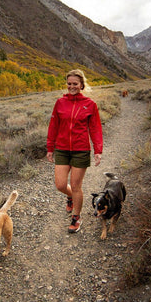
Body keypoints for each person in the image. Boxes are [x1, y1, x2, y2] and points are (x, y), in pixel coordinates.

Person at [46, 69, 103, 233]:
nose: (71, 86)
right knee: (60, 184)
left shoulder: (90, 104)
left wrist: (98, 150)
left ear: (82, 85)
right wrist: (50, 148)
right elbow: (53, 126)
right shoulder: (59, 103)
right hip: (62, 149)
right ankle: (70, 196)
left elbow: (95, 129)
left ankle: (76, 218)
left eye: (75, 84)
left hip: (81, 150)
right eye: (69, 84)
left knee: (77, 186)